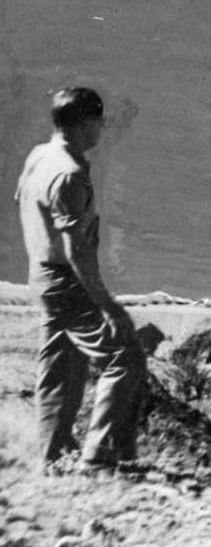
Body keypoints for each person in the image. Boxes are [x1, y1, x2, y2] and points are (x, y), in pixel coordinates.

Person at [17, 86, 144, 471]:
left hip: (40, 275)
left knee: (61, 366)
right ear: (83, 124)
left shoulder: (39, 156)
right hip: (65, 279)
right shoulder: (70, 174)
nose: (101, 132)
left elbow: (22, 202)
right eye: (98, 124)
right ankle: (101, 455)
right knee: (125, 354)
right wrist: (108, 305)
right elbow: (76, 250)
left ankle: (54, 455)